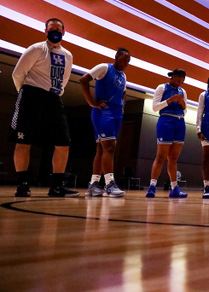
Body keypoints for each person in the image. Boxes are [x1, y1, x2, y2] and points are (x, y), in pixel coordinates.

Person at [9, 18, 78, 197]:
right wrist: (25, 93)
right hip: (31, 96)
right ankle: (22, 184)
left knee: (64, 143)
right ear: (45, 31)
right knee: (23, 141)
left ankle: (56, 187)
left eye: (58, 29)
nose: (54, 32)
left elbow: (64, 79)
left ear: (63, 32)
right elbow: (18, 74)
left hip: (54, 99)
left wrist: (55, 94)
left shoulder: (68, 55)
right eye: (51, 29)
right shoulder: (36, 49)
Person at [80, 48, 131, 197]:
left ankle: (93, 184)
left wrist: (122, 106)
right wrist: (91, 102)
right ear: (116, 57)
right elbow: (84, 80)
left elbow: (124, 93)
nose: (125, 63)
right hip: (103, 111)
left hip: (116, 113)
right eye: (123, 60)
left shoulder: (123, 75)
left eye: (128, 62)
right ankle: (110, 184)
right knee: (110, 147)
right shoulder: (104, 67)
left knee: (102, 149)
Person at [146, 69, 188, 198]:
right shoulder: (162, 87)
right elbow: (154, 107)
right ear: (172, 77)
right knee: (161, 156)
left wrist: (182, 104)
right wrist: (169, 101)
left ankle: (174, 188)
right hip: (166, 121)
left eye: (181, 82)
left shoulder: (183, 91)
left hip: (180, 123)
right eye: (177, 80)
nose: (179, 84)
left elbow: (185, 111)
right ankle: (152, 186)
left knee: (173, 158)